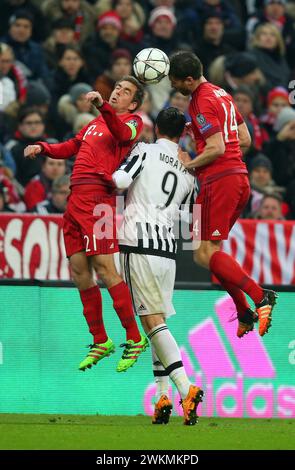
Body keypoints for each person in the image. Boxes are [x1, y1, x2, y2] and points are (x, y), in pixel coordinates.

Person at [24, 76, 148, 373]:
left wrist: (102, 105)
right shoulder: (93, 125)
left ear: (133, 103)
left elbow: (119, 132)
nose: (118, 92)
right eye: (117, 87)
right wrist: (44, 148)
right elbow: (71, 146)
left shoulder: (133, 123)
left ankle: (134, 337)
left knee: (106, 269)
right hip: (75, 200)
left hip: (99, 202)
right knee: (80, 271)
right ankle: (100, 340)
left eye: (125, 92)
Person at [168, 51, 278, 338]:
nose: (174, 87)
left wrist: (188, 164)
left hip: (219, 182)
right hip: (237, 178)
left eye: (176, 82)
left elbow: (216, 147)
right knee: (208, 253)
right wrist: (224, 159)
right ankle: (244, 312)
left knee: (204, 254)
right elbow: (245, 139)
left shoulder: (200, 100)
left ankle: (260, 297)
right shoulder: (222, 93)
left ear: (189, 80)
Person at [112, 107, 203, 425]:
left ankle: (185, 388)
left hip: (139, 243)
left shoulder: (144, 151)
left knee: (151, 322)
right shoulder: (190, 169)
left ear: (156, 129)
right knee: (158, 323)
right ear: (180, 133)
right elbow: (192, 218)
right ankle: (162, 396)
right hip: (168, 250)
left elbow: (120, 180)